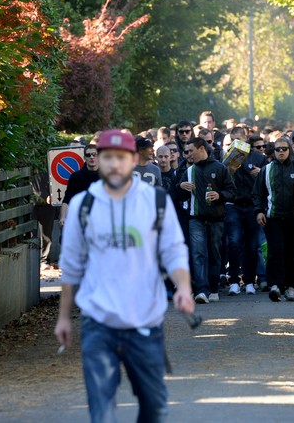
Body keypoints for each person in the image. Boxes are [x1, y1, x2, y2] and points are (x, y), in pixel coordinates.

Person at [54, 129, 194, 423]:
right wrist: (65, 316)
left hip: (144, 322)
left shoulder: (155, 201)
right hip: (98, 322)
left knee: (154, 407)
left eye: (121, 157)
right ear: (98, 161)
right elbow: (71, 264)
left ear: (133, 160)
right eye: (107, 157)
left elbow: (173, 249)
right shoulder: (84, 205)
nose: (114, 164)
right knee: (101, 410)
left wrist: (183, 287)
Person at [253, 136, 294, 302]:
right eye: (278, 149)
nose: (281, 152)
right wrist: (259, 211)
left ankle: (289, 287)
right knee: (275, 250)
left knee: (291, 252)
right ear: (273, 152)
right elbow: (257, 194)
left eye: (284, 149)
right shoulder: (266, 170)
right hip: (272, 218)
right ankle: (275, 286)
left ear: (290, 150)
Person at [179, 137, 235, 303]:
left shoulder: (220, 168)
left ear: (201, 148)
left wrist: (220, 195)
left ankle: (213, 288)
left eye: (191, 151)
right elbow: (177, 194)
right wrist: (180, 187)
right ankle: (201, 290)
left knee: (214, 254)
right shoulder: (188, 171)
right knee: (198, 254)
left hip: (216, 219)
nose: (188, 155)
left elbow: (232, 191)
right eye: (186, 152)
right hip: (195, 219)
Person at [223, 126, 267, 295]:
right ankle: (234, 280)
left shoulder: (258, 158)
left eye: (239, 140)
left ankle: (249, 280)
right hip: (233, 205)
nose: (236, 143)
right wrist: (230, 172)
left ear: (245, 139)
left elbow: (266, 182)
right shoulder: (228, 157)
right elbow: (221, 180)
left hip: (252, 205)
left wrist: (260, 175)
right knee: (234, 242)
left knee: (252, 245)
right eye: (233, 140)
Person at [60, 144, 101, 229]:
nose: (92, 157)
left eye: (94, 154)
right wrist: (63, 217)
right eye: (88, 155)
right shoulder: (76, 177)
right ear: (84, 157)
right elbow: (67, 199)